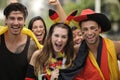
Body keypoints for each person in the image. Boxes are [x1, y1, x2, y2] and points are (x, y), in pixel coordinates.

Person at [58, 9, 120, 80]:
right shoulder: (76, 50)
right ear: (81, 31)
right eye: (85, 29)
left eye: (93, 28)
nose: (89, 33)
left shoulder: (115, 47)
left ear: (99, 28)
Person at [0, 3, 42, 80]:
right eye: (12, 18)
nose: (16, 23)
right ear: (6, 20)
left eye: (19, 19)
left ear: (24, 21)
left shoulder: (32, 45)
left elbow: (35, 75)